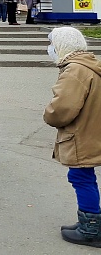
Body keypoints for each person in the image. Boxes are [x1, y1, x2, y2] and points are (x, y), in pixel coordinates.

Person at [43, 27, 101, 247]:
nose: (50, 49)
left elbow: (62, 108)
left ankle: (90, 229)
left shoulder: (75, 70)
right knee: (85, 178)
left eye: (52, 44)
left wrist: (48, 113)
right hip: (92, 129)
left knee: (82, 178)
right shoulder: (88, 63)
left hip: (82, 133)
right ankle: (90, 221)